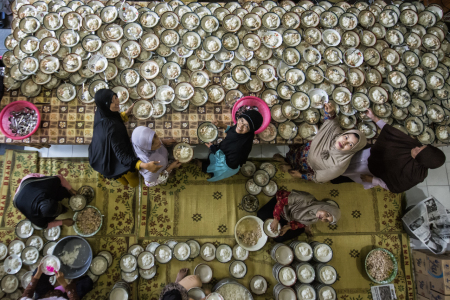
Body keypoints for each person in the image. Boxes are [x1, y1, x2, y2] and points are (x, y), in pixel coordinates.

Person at [340, 108, 445, 192]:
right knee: (345, 159)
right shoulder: (413, 145)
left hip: (369, 171)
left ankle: (336, 176)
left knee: (348, 172)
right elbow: (391, 132)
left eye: (418, 151)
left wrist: (374, 180)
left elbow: (394, 187)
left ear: (421, 161)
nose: (416, 147)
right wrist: (374, 118)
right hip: (368, 155)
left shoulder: (416, 175)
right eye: (421, 146)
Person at [273, 103, 367, 183]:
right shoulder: (336, 134)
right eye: (346, 137)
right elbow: (332, 121)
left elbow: (318, 177)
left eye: (350, 145)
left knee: (294, 167)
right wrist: (330, 112)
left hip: (306, 165)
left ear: (353, 150)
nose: (344, 142)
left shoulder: (339, 166)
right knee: (293, 151)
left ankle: (287, 164)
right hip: (304, 149)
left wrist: (301, 175)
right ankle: (286, 159)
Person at [88, 89, 162, 188]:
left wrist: (125, 114)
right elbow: (122, 156)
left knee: (117, 176)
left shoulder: (101, 111)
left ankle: (123, 181)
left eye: (115, 97)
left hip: (100, 155)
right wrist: (145, 165)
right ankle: (131, 184)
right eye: (112, 102)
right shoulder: (113, 128)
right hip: (112, 159)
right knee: (132, 180)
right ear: (105, 105)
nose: (117, 102)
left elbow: (112, 117)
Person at [195, 109, 263, 182]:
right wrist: (221, 124)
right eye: (242, 120)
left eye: (246, 126)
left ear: (250, 130)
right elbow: (232, 130)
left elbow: (225, 162)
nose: (240, 125)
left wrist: (213, 149)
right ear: (240, 117)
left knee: (211, 168)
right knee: (212, 159)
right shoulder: (244, 132)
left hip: (226, 166)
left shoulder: (239, 148)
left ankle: (203, 167)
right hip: (224, 155)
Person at [257, 190, 341, 242]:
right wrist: (276, 220)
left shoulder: (314, 219)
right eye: (327, 214)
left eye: (326, 220)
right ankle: (304, 228)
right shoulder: (306, 198)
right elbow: (282, 202)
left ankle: (303, 229)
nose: (323, 218)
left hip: (289, 218)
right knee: (260, 214)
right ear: (325, 207)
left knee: (279, 238)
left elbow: (300, 223)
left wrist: (288, 227)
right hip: (281, 205)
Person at [21, 262, 93, 300]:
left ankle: (55, 268)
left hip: (44, 295)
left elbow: (27, 294)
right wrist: (64, 284)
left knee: (40, 271)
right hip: (63, 297)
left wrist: (37, 275)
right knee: (87, 283)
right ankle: (74, 282)